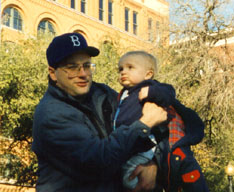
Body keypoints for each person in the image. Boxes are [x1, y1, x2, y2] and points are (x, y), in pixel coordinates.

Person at [32, 33, 168, 192]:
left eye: (87, 65)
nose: (83, 73)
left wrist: (152, 165)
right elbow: (97, 161)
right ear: (53, 73)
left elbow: (159, 126)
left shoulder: (103, 93)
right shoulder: (51, 113)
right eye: (72, 67)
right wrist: (144, 124)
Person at [114, 50, 209, 192]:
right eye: (120, 69)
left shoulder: (150, 87)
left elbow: (168, 93)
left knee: (130, 179)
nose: (123, 72)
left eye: (130, 67)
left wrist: (151, 93)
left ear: (148, 74)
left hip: (144, 147)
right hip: (126, 143)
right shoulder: (123, 94)